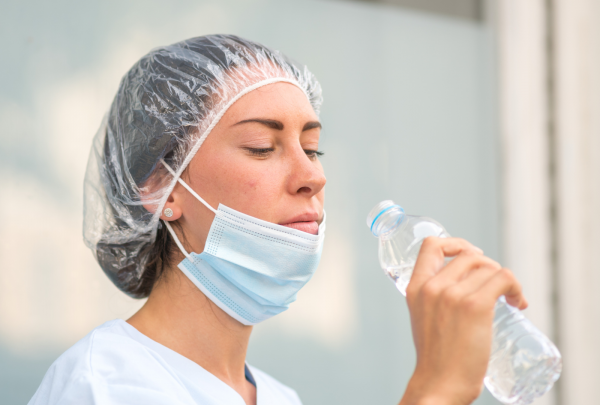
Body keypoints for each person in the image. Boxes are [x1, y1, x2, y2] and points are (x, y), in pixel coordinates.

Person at [29, 34, 527, 405]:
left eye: (313, 148)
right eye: (262, 148)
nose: (312, 175)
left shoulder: (278, 397)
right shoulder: (105, 386)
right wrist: (436, 389)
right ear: (161, 186)